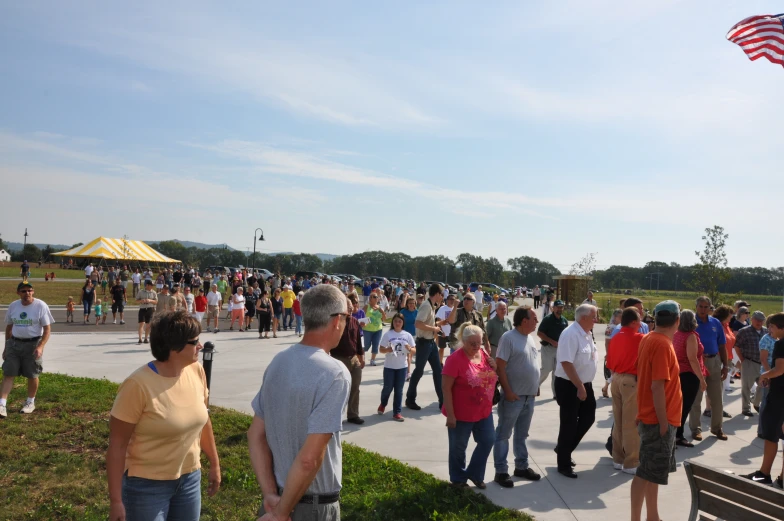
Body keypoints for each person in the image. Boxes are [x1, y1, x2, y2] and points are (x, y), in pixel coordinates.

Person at [247, 285, 350, 521]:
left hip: (276, 500)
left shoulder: (279, 361)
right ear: (336, 321)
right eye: (346, 316)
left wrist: (271, 495)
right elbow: (309, 459)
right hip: (311, 506)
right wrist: (282, 513)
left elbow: (255, 434)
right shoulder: (335, 373)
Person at [106, 311, 220, 521]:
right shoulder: (137, 385)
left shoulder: (196, 370)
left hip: (189, 478)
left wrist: (214, 463)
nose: (200, 346)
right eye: (194, 341)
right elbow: (117, 445)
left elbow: (204, 420)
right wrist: (116, 501)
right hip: (146, 485)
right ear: (174, 347)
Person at [630, 301, 683, 521]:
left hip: (652, 416)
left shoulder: (649, 338)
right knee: (645, 473)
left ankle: (653, 516)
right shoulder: (662, 344)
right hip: (658, 419)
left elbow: (642, 377)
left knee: (653, 473)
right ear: (677, 321)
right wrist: (662, 421)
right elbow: (656, 385)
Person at [442, 323, 498, 489]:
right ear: (463, 341)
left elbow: (490, 374)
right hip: (461, 413)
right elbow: (445, 388)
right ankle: (458, 479)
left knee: (488, 440)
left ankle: (474, 473)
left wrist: (494, 367)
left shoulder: (482, 352)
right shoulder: (454, 360)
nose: (476, 346)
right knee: (458, 447)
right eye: (472, 343)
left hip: (483, 410)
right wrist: (451, 415)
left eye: (478, 343)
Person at [493, 307, 541, 488]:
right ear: (524, 321)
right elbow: (500, 366)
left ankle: (521, 467)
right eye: (534, 318)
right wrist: (508, 391)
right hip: (514, 397)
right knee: (504, 434)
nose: (537, 322)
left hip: (529, 396)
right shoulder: (508, 338)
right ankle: (501, 471)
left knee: (522, 435)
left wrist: (534, 387)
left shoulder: (529, 338)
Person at [553, 304, 598, 478]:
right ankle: (563, 464)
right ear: (583, 317)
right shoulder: (570, 334)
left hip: (585, 384)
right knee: (569, 424)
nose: (596, 320)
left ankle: (564, 448)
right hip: (569, 385)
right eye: (594, 317)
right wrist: (579, 386)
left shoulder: (586, 333)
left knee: (588, 418)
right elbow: (566, 362)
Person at [0, 282, 54, 418]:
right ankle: (2, 404)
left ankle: (30, 402)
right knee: (9, 373)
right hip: (14, 344)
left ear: (33, 292)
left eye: (30, 290)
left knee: (32, 374)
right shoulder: (13, 306)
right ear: (18, 293)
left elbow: (47, 329)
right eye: (23, 291)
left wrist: (40, 346)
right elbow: (9, 328)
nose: (27, 293)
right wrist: (6, 347)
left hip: (33, 344)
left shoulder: (40, 306)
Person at [743, 312, 784, 485]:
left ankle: (764, 473)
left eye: (772, 327)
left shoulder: (781, 344)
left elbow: (780, 369)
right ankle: (782, 478)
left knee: (771, 436)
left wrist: (764, 376)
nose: (770, 331)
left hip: (779, 397)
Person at [606, 307, 644, 474]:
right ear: (634, 322)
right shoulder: (640, 338)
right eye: (640, 320)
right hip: (630, 381)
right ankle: (631, 462)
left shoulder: (615, 337)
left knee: (618, 420)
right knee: (630, 422)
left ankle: (618, 458)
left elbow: (609, 361)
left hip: (616, 378)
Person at [690, 296, 728, 441]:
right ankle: (695, 429)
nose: (703, 309)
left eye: (706, 307)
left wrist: (725, 365)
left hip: (714, 361)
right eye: (701, 306)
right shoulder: (691, 323)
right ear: (696, 306)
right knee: (696, 399)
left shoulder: (715, 322)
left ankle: (717, 428)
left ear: (710, 308)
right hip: (698, 363)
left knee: (717, 398)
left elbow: (722, 345)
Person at [406, 284, 447, 411]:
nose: (442, 297)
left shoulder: (431, 306)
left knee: (438, 370)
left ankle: (443, 401)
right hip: (423, 343)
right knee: (419, 371)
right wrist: (434, 328)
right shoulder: (426, 306)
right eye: (442, 294)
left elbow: (428, 322)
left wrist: (438, 326)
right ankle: (410, 399)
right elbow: (418, 323)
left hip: (430, 343)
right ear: (437, 294)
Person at [672, 309, 707, 447]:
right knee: (685, 407)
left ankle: (676, 435)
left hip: (677, 373)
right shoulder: (690, 336)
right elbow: (692, 359)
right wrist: (702, 379)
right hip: (689, 375)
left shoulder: (676, 334)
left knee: (678, 406)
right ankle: (677, 436)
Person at [330, 297, 365, 426]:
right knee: (339, 389)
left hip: (354, 358)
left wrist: (361, 357)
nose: (351, 308)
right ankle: (335, 416)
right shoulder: (336, 322)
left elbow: (358, 342)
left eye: (352, 306)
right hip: (338, 358)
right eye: (348, 306)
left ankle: (353, 415)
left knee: (355, 388)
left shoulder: (355, 322)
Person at [378, 313, 416, 422]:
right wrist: (387, 350)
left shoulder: (407, 335)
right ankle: (383, 403)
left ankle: (397, 412)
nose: (397, 323)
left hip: (402, 366)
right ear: (392, 322)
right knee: (387, 388)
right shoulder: (388, 334)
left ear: (403, 323)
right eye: (395, 321)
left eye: (399, 321)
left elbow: (414, 350)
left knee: (399, 390)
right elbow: (381, 349)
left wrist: (410, 349)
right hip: (389, 366)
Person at [734, 310, 767, 416]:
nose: (759, 322)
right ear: (751, 319)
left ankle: (756, 403)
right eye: (757, 320)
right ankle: (746, 408)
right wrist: (742, 359)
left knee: (764, 385)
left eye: (761, 320)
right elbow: (737, 346)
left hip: (763, 363)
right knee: (746, 387)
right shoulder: (744, 331)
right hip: (749, 362)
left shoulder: (766, 331)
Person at [537, 299, 568, 396]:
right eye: (558, 307)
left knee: (556, 372)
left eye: (561, 307)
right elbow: (539, 333)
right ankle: (535, 385)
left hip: (559, 350)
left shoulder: (564, 321)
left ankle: (556, 393)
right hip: (548, 348)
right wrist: (551, 341)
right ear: (553, 308)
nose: (560, 309)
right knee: (546, 369)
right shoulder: (547, 319)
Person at [601, 309, 623, 398]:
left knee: (615, 374)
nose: (622, 318)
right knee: (614, 374)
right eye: (620, 316)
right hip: (613, 354)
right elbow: (607, 342)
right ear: (615, 317)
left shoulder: (622, 326)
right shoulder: (611, 327)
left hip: (620, 353)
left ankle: (605, 387)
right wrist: (608, 354)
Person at [362, 293, 386, 366]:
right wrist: (364, 322)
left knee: (375, 345)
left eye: (377, 297)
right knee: (366, 346)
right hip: (367, 330)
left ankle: (372, 360)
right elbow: (361, 315)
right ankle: (360, 355)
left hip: (378, 329)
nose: (376, 298)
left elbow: (384, 319)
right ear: (370, 299)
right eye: (374, 297)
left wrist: (381, 311)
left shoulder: (379, 308)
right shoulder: (367, 307)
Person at [435, 294, 456, 364]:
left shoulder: (456, 309)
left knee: (453, 349)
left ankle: (451, 363)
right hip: (444, 332)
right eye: (451, 299)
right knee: (441, 348)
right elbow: (438, 321)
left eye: (453, 299)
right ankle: (440, 363)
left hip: (453, 333)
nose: (452, 301)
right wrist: (441, 332)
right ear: (447, 300)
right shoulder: (442, 308)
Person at [136, 280, 157, 345]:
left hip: (150, 309)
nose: (152, 287)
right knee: (141, 323)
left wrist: (150, 300)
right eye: (151, 285)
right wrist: (142, 301)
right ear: (147, 285)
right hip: (142, 309)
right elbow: (136, 300)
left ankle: (146, 338)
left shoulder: (153, 292)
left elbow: (156, 302)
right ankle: (140, 338)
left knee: (148, 324)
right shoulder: (141, 292)